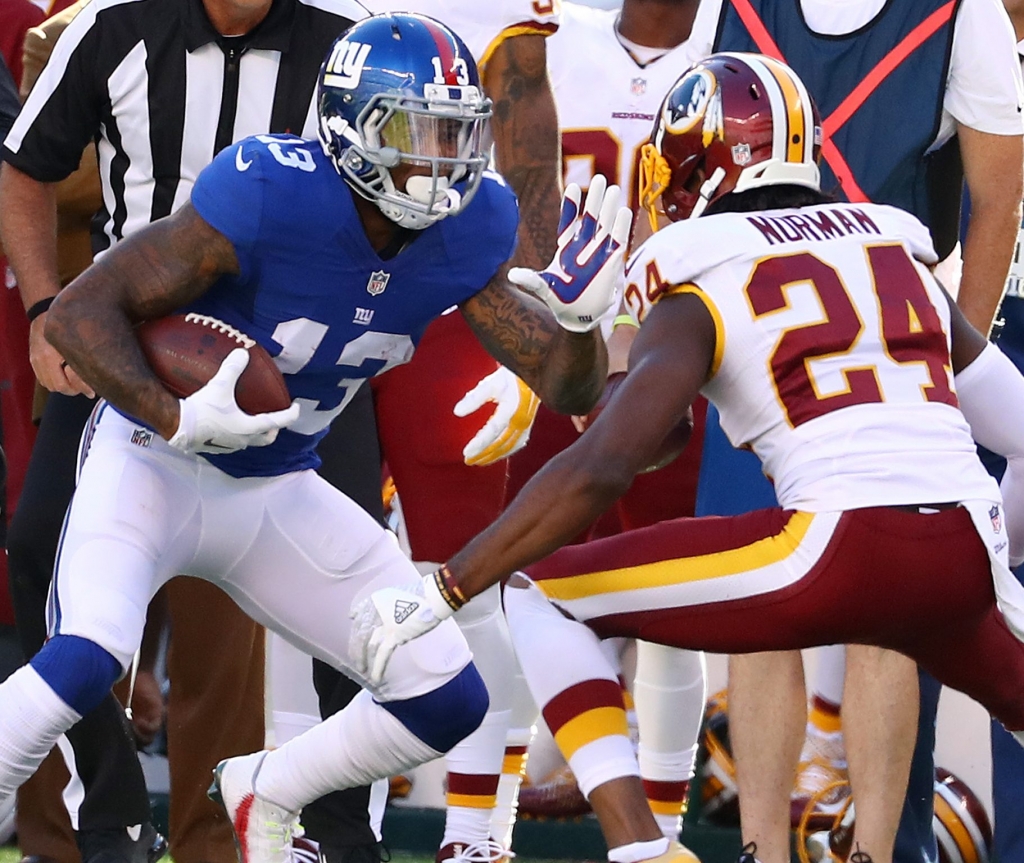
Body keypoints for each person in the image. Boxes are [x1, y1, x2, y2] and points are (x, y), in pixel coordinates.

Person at [352, 52, 1024, 863]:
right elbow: (1015, 423)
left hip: (836, 550)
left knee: (535, 592)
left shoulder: (699, 266)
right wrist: (1000, 548)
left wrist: (450, 581)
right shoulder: (891, 244)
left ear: (701, 165)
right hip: (961, 556)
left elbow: (603, 462)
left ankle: (644, 847)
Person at [0, 11, 630, 863]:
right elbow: (78, 314)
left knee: (447, 696)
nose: (441, 160)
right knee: (86, 659)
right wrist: (175, 412)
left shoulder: (467, 223)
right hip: (152, 461)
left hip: (278, 487)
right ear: (353, 127)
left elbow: (565, 384)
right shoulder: (270, 190)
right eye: (419, 132)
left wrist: (584, 327)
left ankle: (273, 785)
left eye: (455, 134)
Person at [0, 0, 391, 860]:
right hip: (126, 332)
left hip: (302, 348)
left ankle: (336, 829)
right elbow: (24, 166)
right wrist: (40, 307)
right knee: (37, 545)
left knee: (359, 585)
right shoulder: (110, 26)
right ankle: (110, 813)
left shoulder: (349, 39)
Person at [267, 1, 564, 856]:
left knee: (462, 573)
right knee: (297, 570)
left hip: (448, 281)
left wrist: (531, 328)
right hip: (317, 281)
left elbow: (528, 140)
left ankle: (475, 834)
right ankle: (311, 826)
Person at [505, 0, 708, 839]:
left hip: (686, 342)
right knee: (519, 570)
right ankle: (496, 800)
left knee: (672, 583)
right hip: (558, 338)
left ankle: (660, 813)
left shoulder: (737, 37)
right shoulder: (551, 39)